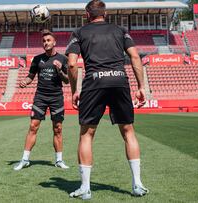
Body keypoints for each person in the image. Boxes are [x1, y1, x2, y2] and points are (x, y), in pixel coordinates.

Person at [65, 0, 149, 200]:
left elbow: (71, 64)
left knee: (87, 134)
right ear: (105, 13)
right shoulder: (120, 31)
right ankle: (137, 184)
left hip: (94, 83)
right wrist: (141, 87)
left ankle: (85, 188)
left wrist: (74, 90)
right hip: (120, 80)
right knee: (128, 131)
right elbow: (135, 57)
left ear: (87, 14)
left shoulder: (79, 33)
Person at [14, 30, 70, 171]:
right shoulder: (37, 59)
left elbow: (67, 80)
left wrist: (60, 71)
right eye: (44, 41)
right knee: (33, 126)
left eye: (48, 40)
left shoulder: (63, 59)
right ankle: (25, 159)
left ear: (54, 42)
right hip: (40, 97)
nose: (46, 43)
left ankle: (59, 160)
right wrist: (25, 82)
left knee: (58, 129)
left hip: (56, 97)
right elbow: (30, 76)